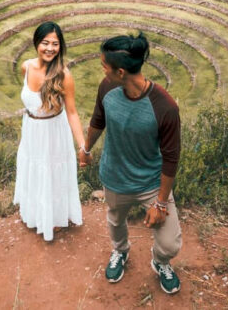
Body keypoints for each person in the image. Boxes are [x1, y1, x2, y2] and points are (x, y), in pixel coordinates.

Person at [79, 32, 182, 295]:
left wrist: (160, 202)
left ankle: (160, 261)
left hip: (150, 183)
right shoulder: (107, 87)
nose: (102, 70)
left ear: (121, 71)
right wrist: (85, 149)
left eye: (104, 65)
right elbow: (97, 122)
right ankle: (120, 251)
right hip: (115, 177)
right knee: (115, 221)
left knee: (170, 244)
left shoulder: (165, 106)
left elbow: (171, 159)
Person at [13, 21, 84, 241]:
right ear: (36, 43)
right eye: (45, 43)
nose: (50, 48)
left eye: (55, 44)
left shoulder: (64, 75)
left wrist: (82, 146)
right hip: (32, 129)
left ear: (60, 47)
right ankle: (35, 214)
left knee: (52, 173)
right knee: (34, 169)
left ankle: (55, 218)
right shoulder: (25, 67)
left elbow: (72, 112)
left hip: (54, 131)